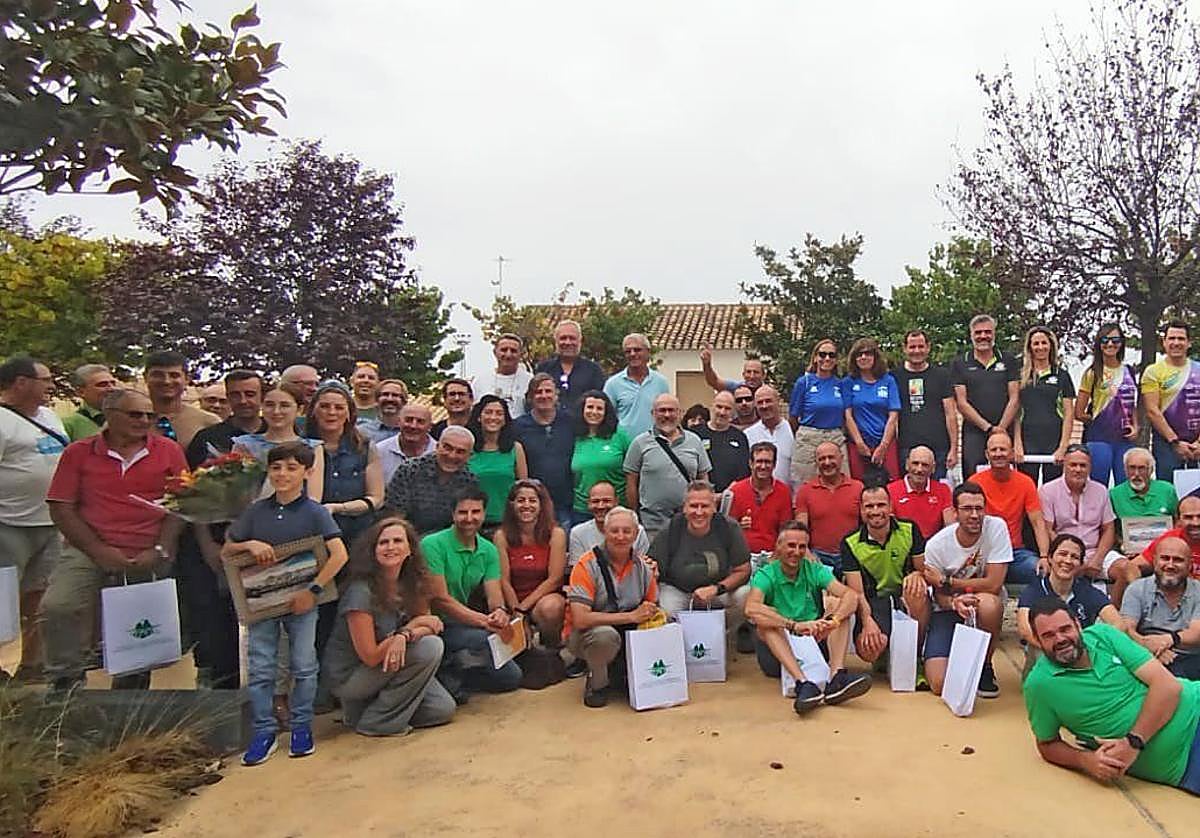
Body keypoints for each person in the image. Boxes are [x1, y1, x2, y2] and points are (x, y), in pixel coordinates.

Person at [41, 388, 186, 690]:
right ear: (109, 414)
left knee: (140, 625)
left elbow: (183, 504)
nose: (144, 420)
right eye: (135, 414)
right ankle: (66, 681)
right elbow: (61, 507)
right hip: (89, 546)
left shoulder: (168, 450)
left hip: (149, 548)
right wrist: (98, 550)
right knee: (59, 605)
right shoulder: (78, 452)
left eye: (149, 415)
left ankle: (131, 691)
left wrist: (162, 547)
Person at [222, 441, 349, 764]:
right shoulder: (255, 512)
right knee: (261, 666)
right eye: (277, 467)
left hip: (303, 603)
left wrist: (314, 591)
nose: (283, 474)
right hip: (262, 605)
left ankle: (301, 726)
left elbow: (338, 555)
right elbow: (227, 551)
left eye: (292, 468)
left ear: (307, 473)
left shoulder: (315, 512)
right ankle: (263, 731)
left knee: (304, 665)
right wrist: (249, 544)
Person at [1023, 597, 1200, 796]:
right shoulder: (1039, 684)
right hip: (1184, 757)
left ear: (1078, 625)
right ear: (1037, 641)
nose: (1060, 639)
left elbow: (1167, 686)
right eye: (1048, 635)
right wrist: (1085, 760)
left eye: (1065, 629)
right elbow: (1047, 744)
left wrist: (1133, 743)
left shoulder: (1103, 635)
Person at [321, 516, 455, 738]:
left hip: (391, 662)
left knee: (442, 709)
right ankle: (376, 723)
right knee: (430, 648)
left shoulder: (414, 582)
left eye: (397, 541)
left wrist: (406, 634)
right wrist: (409, 630)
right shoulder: (360, 592)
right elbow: (371, 656)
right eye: (383, 543)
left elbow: (432, 624)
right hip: (352, 676)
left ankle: (363, 712)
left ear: (410, 548)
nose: (390, 547)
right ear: (372, 550)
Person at [743, 521, 872, 714]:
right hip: (779, 648)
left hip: (814, 640)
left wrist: (832, 622)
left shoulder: (813, 569)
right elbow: (751, 608)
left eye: (802, 546)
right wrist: (793, 625)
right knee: (766, 622)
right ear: (778, 547)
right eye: (791, 546)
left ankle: (837, 677)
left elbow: (851, 595)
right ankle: (803, 683)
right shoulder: (766, 574)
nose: (797, 551)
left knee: (839, 606)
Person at [0, 356, 67, 681]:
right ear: (21, 382)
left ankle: (32, 664)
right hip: (8, 524)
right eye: (45, 379)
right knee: (3, 599)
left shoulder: (50, 416)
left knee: (40, 597)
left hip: (50, 522)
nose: (51, 386)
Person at [422, 487, 522, 702]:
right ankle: (447, 669)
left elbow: (494, 595)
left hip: (466, 622)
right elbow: (440, 599)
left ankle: (457, 671)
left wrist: (500, 613)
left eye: (475, 512)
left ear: (484, 514)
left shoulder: (488, 549)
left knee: (511, 678)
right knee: (483, 639)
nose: (469, 518)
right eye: (462, 513)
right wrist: (485, 621)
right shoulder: (432, 544)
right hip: (435, 624)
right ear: (452, 514)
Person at [919, 481, 1012, 698]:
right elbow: (938, 594)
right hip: (948, 609)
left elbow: (994, 583)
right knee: (940, 685)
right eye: (967, 509)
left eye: (979, 508)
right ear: (954, 513)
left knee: (989, 604)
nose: (974, 515)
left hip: (982, 604)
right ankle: (940, 656)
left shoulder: (996, 527)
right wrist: (953, 601)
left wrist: (948, 581)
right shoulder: (936, 545)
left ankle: (985, 666)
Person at [563, 505, 659, 707]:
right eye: (614, 531)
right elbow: (580, 619)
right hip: (587, 635)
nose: (621, 536)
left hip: (627, 632)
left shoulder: (645, 567)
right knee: (605, 636)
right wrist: (631, 617)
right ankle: (598, 683)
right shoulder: (586, 565)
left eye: (627, 531)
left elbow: (652, 606)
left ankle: (633, 675)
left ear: (636, 535)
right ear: (604, 533)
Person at [840, 485, 930, 667]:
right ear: (861, 510)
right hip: (874, 602)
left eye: (881, 505)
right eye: (869, 506)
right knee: (869, 649)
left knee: (917, 590)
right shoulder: (850, 542)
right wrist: (867, 623)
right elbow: (857, 593)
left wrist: (917, 574)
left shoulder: (910, 529)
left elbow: (923, 571)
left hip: (903, 597)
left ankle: (915, 655)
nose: (875, 511)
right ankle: (884, 653)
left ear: (890, 507)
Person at [649, 481, 752, 639]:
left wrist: (716, 589)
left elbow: (743, 569)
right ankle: (680, 640)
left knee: (746, 595)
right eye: (693, 506)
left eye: (704, 506)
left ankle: (718, 635)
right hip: (679, 590)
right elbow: (652, 568)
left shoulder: (728, 528)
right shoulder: (671, 529)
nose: (699, 512)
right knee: (665, 609)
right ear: (684, 508)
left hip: (717, 590)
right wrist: (652, 571)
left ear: (714, 508)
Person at [305, 382, 383, 548]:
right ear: (313, 411)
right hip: (314, 535)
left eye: (339, 407)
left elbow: (376, 498)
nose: (331, 412)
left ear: (349, 413)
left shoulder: (366, 447)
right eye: (325, 406)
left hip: (359, 534)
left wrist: (338, 508)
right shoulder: (301, 447)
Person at [623, 393, 711, 538]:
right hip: (652, 523)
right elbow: (631, 482)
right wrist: (634, 514)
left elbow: (703, 479)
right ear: (653, 413)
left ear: (680, 413)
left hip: (689, 520)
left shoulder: (694, 441)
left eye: (671, 410)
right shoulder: (640, 443)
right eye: (662, 410)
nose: (667, 415)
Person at [1038, 445, 1123, 591]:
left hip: (1095, 552)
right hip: (1065, 554)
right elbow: (1048, 529)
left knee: (1127, 570)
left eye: (1083, 465)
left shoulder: (1101, 491)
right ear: (1064, 465)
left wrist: (1097, 559)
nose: (1078, 469)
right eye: (1073, 465)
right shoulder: (1048, 491)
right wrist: (1072, 557)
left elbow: (1108, 529)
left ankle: (1113, 610)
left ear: (1090, 467)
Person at [493, 480, 567, 643]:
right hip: (513, 600)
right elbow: (503, 580)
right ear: (512, 505)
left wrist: (523, 608)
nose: (526, 505)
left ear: (542, 505)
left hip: (543, 598)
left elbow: (555, 579)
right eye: (521, 500)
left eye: (532, 500)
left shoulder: (556, 534)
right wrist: (516, 612)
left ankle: (551, 648)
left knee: (552, 608)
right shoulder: (501, 536)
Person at [972, 430, 1049, 584]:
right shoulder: (975, 482)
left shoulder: (1025, 482)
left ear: (1012, 453)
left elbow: (1038, 522)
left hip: (1015, 553)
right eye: (994, 450)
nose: (998, 453)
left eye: (1003, 449)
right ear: (987, 454)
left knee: (1041, 571)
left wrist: (1044, 556)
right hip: (982, 552)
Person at [1016, 534, 1122, 646]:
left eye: (1074, 557)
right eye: (1062, 554)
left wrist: (1095, 645)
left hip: (1083, 649)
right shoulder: (1035, 590)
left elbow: (1118, 624)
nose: (1068, 560)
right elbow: (1025, 630)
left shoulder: (1087, 591)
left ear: (1081, 564)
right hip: (1044, 652)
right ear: (1050, 558)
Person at [1120, 536, 1200, 680]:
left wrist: (1167, 640)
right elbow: (1126, 629)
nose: (1170, 565)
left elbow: (1196, 633)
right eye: (1165, 558)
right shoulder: (1137, 589)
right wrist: (1148, 646)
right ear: (1155, 561)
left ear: (1190, 565)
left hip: (1192, 659)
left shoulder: (1198, 591)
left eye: (1178, 560)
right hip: (1147, 657)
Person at [951, 314, 1020, 477]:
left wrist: (1001, 429)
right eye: (978, 333)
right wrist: (988, 428)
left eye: (987, 332)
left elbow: (1015, 398)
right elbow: (961, 403)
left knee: (1006, 476)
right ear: (971, 335)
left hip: (1005, 428)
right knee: (973, 478)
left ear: (994, 334)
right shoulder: (960, 363)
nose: (983, 336)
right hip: (974, 432)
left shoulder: (1008, 360)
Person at [232, 386, 326, 501]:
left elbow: (314, 497)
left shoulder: (312, 447)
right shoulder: (244, 444)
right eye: (270, 405)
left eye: (284, 405)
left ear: (299, 410)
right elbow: (235, 492)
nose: (276, 411)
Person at [383, 426, 480, 535]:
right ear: (437, 446)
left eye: (460, 452)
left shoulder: (470, 480)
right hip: (409, 537)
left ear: (469, 456)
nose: (452, 455)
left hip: (447, 540)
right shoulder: (409, 470)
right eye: (447, 448)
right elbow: (395, 517)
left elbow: (465, 521)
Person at [1075, 323, 1139, 485]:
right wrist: (1097, 421)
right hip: (1099, 438)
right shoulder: (1092, 373)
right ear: (1099, 344)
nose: (1110, 344)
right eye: (1105, 340)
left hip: (1125, 439)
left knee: (1126, 486)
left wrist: (1136, 426)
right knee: (1097, 486)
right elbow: (1079, 412)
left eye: (1115, 340)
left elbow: (1132, 405)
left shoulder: (1129, 371)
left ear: (1122, 343)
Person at [1013, 326, 1076, 486]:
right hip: (1028, 440)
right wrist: (1017, 444)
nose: (1040, 347)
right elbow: (1016, 411)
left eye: (1044, 343)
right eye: (1036, 344)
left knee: (1053, 490)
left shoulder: (1061, 375)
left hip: (1053, 439)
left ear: (1051, 346)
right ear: (1030, 347)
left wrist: (1063, 447)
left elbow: (1069, 414)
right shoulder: (1020, 375)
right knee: (1026, 487)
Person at [513, 373, 576, 529]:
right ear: (530, 397)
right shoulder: (518, 427)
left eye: (548, 391)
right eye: (538, 392)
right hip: (533, 503)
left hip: (566, 502)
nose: (543, 396)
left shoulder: (570, 422)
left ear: (556, 396)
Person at [893, 330, 958, 479]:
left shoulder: (942, 375)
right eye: (912, 347)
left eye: (921, 346)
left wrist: (953, 448)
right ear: (904, 348)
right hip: (906, 448)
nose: (917, 351)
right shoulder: (894, 377)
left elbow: (950, 413)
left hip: (939, 449)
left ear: (928, 347)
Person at [1142, 320, 1200, 482]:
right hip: (1167, 445)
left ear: (1189, 343)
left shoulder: (1198, 369)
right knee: (1170, 494)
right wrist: (1175, 442)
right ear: (1164, 342)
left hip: (1197, 443)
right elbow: (1152, 411)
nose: (1176, 343)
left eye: (1181, 339)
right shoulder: (1152, 372)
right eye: (1172, 338)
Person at [793, 441, 864, 572]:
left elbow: (867, 525)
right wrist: (807, 553)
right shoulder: (805, 491)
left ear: (841, 458)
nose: (827, 462)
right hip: (818, 557)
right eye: (821, 459)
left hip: (852, 553)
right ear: (816, 462)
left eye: (831, 457)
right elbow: (800, 529)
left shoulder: (858, 488)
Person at [787, 338, 848, 485]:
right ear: (815, 357)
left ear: (836, 360)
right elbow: (793, 416)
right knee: (803, 483)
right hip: (809, 437)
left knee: (841, 482)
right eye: (822, 354)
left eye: (831, 355)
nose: (827, 358)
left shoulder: (840, 384)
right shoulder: (804, 382)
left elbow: (847, 415)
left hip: (835, 437)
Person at [842, 337, 901, 482]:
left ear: (875, 357)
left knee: (890, 486)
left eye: (868, 354)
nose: (863, 357)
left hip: (885, 443)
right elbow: (847, 416)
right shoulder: (848, 382)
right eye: (859, 354)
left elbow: (893, 416)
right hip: (858, 445)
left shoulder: (888, 381)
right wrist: (859, 443)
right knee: (859, 486)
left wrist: (883, 446)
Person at [466, 395, 528, 531]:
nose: (493, 417)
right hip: (472, 523)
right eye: (488, 412)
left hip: (508, 523)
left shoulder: (515, 449)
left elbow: (523, 488)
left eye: (499, 413)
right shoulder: (467, 449)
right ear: (478, 417)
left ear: (505, 420)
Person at [570, 390, 630, 520]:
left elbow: (633, 469)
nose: (594, 412)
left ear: (606, 412)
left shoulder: (619, 435)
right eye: (590, 407)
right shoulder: (574, 438)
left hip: (615, 509)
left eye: (599, 408)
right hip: (582, 510)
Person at [186, 370, 267, 467]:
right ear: (228, 397)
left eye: (250, 394)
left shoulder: (280, 433)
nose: (243, 401)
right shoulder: (208, 438)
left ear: (262, 397)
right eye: (235, 395)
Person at [143, 350, 219, 449]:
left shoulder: (208, 422)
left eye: (174, 375)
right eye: (158, 375)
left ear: (187, 379)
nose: (166, 381)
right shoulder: (127, 420)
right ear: (145, 377)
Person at [727, 442, 793, 555]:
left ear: (774, 465)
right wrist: (739, 526)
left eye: (767, 462)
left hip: (773, 555)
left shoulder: (784, 492)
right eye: (759, 461)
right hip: (742, 555)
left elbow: (785, 531)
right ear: (751, 464)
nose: (763, 466)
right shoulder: (736, 491)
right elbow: (727, 530)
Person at [567, 481, 650, 570]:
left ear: (616, 501)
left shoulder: (637, 530)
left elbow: (643, 569)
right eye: (595, 501)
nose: (601, 506)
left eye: (606, 501)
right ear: (588, 503)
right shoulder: (578, 533)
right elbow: (577, 571)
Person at [604, 332, 670, 438]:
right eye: (628, 351)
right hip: (624, 447)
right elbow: (606, 418)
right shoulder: (612, 384)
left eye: (637, 350)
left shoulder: (661, 383)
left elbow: (668, 415)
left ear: (648, 352)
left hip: (655, 444)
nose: (633, 354)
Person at [534, 319, 606, 408]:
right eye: (563, 338)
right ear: (555, 341)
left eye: (572, 338)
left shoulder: (594, 371)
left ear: (580, 341)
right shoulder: (543, 369)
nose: (568, 342)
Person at [886, 445, 953, 539]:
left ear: (933, 468)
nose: (919, 469)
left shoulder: (943, 490)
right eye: (915, 463)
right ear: (907, 464)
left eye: (925, 465)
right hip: (904, 544)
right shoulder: (890, 490)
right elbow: (889, 526)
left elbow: (950, 526)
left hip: (933, 545)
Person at [693, 390, 750, 492]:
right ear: (712, 406)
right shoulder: (695, 434)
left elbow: (744, 472)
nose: (722, 412)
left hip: (731, 497)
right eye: (719, 407)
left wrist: (725, 495)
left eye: (727, 408)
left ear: (733, 412)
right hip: (700, 497)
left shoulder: (740, 437)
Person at [1133, 496, 1200, 582]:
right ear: (1178, 520)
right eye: (1188, 517)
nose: (1196, 523)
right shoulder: (1169, 540)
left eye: (1199, 516)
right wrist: (1140, 589)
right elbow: (1133, 566)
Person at [745, 385, 795, 488]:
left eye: (768, 401)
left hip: (787, 497)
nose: (764, 406)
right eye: (760, 402)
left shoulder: (793, 430)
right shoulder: (747, 435)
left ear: (778, 402)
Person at [375, 403, 436, 485]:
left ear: (430, 427)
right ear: (398, 422)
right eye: (408, 420)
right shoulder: (379, 452)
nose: (413, 426)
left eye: (420, 421)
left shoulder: (440, 453)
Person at [474, 333, 532, 419]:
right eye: (504, 350)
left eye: (513, 351)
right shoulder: (481, 381)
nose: (508, 355)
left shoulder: (530, 381)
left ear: (521, 354)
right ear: (495, 352)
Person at [62, 363, 117, 441]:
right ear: (80, 392)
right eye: (102, 384)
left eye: (113, 383)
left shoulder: (130, 420)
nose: (112, 389)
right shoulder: (67, 425)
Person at [358, 379, 408, 444]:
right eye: (385, 394)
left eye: (395, 395)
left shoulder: (412, 432)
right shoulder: (361, 432)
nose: (390, 399)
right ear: (376, 400)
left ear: (404, 401)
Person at [699, 348, 766, 393]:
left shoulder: (769, 393)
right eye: (748, 372)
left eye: (756, 372)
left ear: (763, 375)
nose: (752, 376)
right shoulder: (736, 388)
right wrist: (707, 364)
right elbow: (714, 382)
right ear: (743, 375)